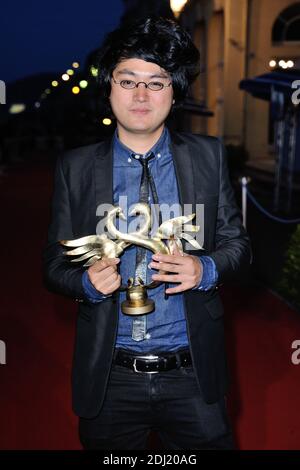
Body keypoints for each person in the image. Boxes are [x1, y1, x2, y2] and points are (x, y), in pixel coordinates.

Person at [43, 16, 251, 450]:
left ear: (173, 93)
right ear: (109, 88)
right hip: (110, 376)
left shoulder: (207, 156)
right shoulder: (76, 168)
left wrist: (205, 268)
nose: (141, 94)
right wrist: (85, 282)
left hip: (193, 372)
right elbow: (53, 265)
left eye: (156, 82)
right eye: (128, 80)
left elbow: (239, 246)